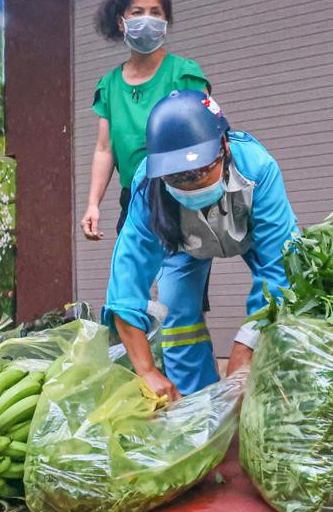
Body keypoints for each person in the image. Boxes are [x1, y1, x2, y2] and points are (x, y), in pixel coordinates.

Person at [104, 90, 298, 401]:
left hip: (249, 235)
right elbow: (127, 283)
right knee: (178, 313)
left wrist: (246, 346)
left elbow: (280, 267)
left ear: (224, 146)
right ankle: (199, 406)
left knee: (281, 306)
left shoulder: (258, 169)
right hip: (182, 245)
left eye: (199, 172)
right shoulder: (147, 187)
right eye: (178, 177)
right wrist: (147, 371)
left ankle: (271, 398)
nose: (191, 185)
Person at [81, 0, 220, 383]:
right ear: (121, 21)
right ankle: (144, 388)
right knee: (128, 299)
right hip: (137, 203)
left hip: (183, 195)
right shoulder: (109, 85)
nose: (147, 20)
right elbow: (104, 149)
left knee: (180, 305)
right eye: (138, 12)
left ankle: (199, 398)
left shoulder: (184, 73)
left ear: (167, 20)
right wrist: (93, 203)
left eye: (156, 12)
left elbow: (209, 133)